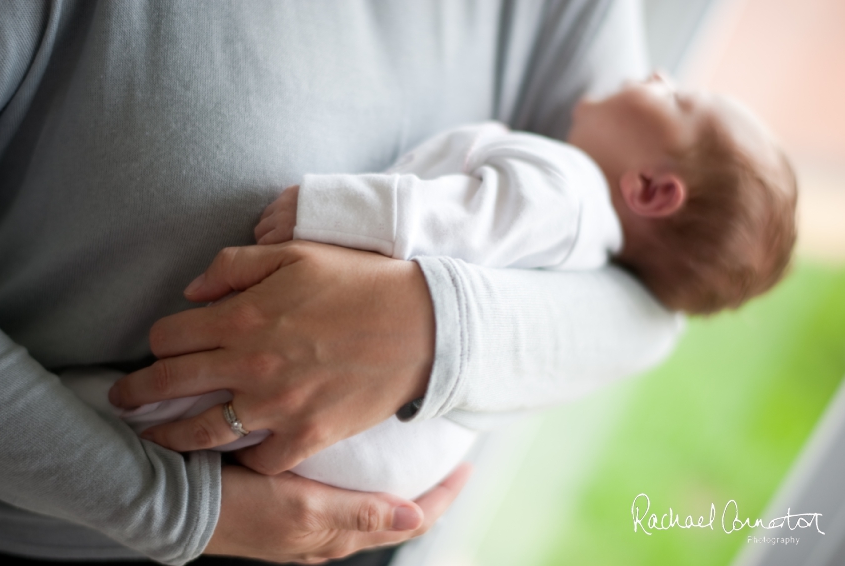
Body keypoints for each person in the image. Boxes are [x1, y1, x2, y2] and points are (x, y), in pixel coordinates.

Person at [0, 1, 681, 565]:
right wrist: (172, 508)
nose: (659, 74)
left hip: (344, 525)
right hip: (79, 521)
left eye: (683, 102)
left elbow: (648, 307)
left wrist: (434, 328)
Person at [88, 71, 797, 502]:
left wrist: (328, 208)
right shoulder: (589, 252)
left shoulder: (569, 189)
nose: (655, 72)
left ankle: (93, 416)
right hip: (389, 458)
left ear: (650, 189)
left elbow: (460, 224)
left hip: (362, 420)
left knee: (184, 398)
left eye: (678, 98)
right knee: (195, 421)